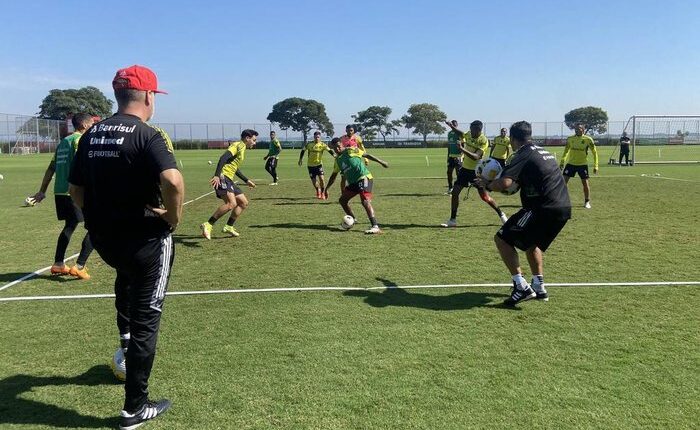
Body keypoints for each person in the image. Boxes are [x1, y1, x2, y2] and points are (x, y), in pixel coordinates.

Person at [69, 64, 184, 429]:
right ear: (149, 96)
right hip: (146, 240)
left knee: (126, 281)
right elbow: (173, 180)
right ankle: (135, 407)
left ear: (117, 95)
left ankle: (125, 343)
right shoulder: (147, 134)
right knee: (148, 316)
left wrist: (98, 220)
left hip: (106, 240)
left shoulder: (91, 134)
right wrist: (173, 218)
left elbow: (75, 191)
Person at [474, 121, 571, 306]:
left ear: (512, 139)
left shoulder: (523, 154)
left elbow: (505, 184)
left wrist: (486, 184)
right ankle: (538, 286)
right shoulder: (543, 152)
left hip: (542, 208)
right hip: (563, 208)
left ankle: (521, 286)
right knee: (532, 243)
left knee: (502, 238)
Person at [32, 113, 95, 280]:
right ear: (83, 126)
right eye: (92, 124)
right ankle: (80, 266)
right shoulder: (79, 140)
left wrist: (42, 191)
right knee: (96, 227)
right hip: (74, 191)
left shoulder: (63, 143)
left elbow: (51, 168)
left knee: (70, 225)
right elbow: (85, 165)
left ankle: (59, 264)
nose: (93, 127)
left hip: (60, 192)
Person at [441, 120, 508, 227]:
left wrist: (462, 149)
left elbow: (476, 156)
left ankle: (502, 214)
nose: (470, 132)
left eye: (472, 130)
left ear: (478, 130)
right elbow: (461, 133)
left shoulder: (484, 140)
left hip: (477, 173)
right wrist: (451, 127)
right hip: (464, 170)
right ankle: (452, 220)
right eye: (470, 129)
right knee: (455, 193)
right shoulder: (468, 134)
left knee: (485, 197)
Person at [200, 130, 258, 239]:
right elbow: (223, 158)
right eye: (254, 140)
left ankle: (229, 226)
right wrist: (217, 175)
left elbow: (234, 167)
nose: (254, 143)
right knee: (231, 203)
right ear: (247, 138)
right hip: (223, 177)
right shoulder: (238, 145)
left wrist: (246, 180)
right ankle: (208, 224)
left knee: (243, 203)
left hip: (229, 179)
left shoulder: (243, 147)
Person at [324, 138, 389, 234]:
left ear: (342, 145)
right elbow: (333, 176)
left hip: (364, 177)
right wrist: (326, 189)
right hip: (353, 183)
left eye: (338, 146)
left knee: (365, 201)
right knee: (342, 200)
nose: (337, 149)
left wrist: (381, 162)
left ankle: (375, 226)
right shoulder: (338, 160)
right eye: (335, 148)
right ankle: (353, 219)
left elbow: (366, 155)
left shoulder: (350, 150)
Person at [560, 123, 598, 209]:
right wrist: (562, 162)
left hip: (582, 165)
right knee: (563, 183)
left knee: (585, 183)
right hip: (571, 164)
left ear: (583, 130)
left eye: (579, 128)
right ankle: (561, 200)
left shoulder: (588, 139)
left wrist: (596, 166)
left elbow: (595, 153)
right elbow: (566, 151)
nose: (577, 130)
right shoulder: (570, 139)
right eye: (576, 128)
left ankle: (587, 201)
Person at [298, 131, 334, 199]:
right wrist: (300, 159)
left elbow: (330, 151)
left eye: (318, 137)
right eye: (315, 137)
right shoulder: (309, 144)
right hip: (310, 165)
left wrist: (334, 156)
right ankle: (318, 191)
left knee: (322, 179)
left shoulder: (323, 145)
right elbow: (303, 150)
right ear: (314, 137)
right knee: (314, 181)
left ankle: (323, 193)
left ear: (320, 137)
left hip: (319, 165)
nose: (317, 138)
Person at [445, 120, 463, 194]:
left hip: (458, 157)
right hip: (451, 157)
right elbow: (449, 146)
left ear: (457, 125)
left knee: (458, 174)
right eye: (453, 124)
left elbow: (464, 146)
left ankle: (457, 189)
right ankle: (450, 188)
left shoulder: (459, 134)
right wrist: (448, 156)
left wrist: (461, 156)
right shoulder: (449, 134)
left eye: (455, 125)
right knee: (449, 172)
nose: (454, 126)